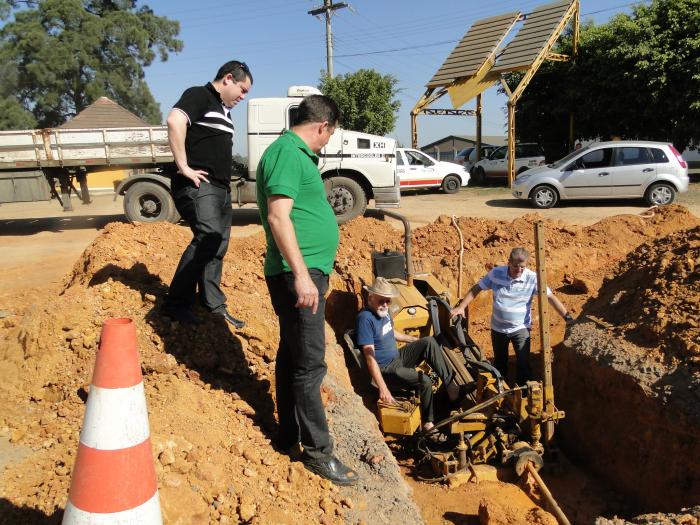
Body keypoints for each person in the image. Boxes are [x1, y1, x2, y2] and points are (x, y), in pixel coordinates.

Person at [256, 94, 358, 486]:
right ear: (322, 125)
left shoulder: (294, 153)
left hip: (304, 273)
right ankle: (318, 453)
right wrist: (301, 275)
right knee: (311, 364)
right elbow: (278, 216)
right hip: (299, 276)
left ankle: (288, 434)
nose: (327, 142)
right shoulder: (287, 152)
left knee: (291, 354)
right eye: (329, 135)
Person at [162, 60, 253, 327]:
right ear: (228, 79)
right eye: (242, 89)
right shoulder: (199, 95)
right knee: (207, 238)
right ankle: (176, 304)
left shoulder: (224, 112)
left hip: (220, 189)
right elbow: (174, 120)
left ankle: (212, 304)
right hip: (200, 186)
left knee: (218, 245)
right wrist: (184, 167)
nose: (243, 97)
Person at [356, 277, 462, 439]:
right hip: (386, 368)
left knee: (428, 342)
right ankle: (428, 424)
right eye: (381, 300)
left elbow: (391, 332)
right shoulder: (365, 319)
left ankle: (450, 386)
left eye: (388, 301)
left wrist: (414, 341)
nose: (385, 304)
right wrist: (383, 388)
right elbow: (369, 357)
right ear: (371, 297)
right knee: (424, 381)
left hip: (398, 357)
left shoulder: (384, 312)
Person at [450, 247, 573, 385]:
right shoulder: (496, 273)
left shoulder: (532, 278)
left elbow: (550, 297)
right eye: (515, 266)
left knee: (523, 363)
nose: (519, 270)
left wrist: (567, 317)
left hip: (520, 328)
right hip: (498, 329)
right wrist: (461, 307)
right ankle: (501, 391)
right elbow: (477, 288)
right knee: (500, 362)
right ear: (509, 262)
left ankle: (523, 393)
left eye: (522, 267)